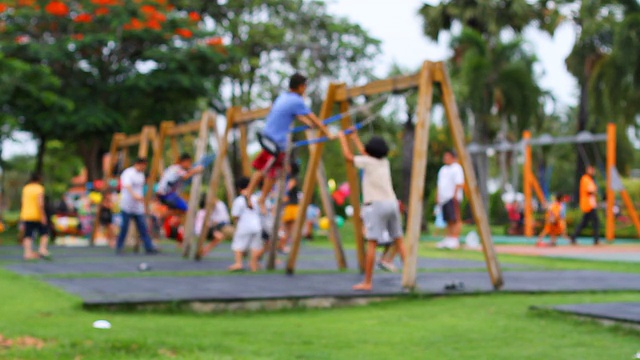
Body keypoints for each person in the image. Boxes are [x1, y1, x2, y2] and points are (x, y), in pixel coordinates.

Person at [244, 73, 333, 212]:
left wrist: (307, 123)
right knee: (271, 172)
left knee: (264, 168)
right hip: (276, 143)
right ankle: (260, 198)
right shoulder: (297, 100)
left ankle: (250, 192)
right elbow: (313, 117)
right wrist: (327, 133)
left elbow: (296, 114)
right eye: (305, 87)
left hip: (267, 136)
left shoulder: (283, 97)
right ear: (301, 86)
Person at [338, 131, 406, 291]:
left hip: (376, 205)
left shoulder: (367, 162)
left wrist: (342, 139)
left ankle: (368, 282)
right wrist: (355, 138)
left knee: (372, 243)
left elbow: (348, 156)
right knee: (399, 240)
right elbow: (365, 154)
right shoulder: (383, 162)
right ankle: (409, 276)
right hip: (392, 203)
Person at [115, 158, 159, 254]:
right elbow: (127, 186)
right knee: (124, 227)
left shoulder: (141, 175)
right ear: (138, 164)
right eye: (143, 165)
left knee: (143, 227)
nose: (143, 167)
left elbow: (141, 189)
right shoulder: (128, 173)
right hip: (127, 205)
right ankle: (119, 246)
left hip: (138, 207)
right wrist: (134, 195)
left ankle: (148, 246)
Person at [229, 177, 263, 272]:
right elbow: (261, 211)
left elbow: (235, 215)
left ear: (239, 188)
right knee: (255, 246)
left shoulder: (239, 200)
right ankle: (253, 264)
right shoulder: (256, 198)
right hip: (257, 225)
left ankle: (238, 263)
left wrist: (236, 223)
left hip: (244, 225)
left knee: (238, 245)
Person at [435, 150, 465, 250]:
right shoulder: (443, 169)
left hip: (452, 198)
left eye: (447, 156)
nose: (445, 158)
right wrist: (438, 196)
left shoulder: (457, 168)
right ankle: (448, 238)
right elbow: (439, 184)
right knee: (448, 220)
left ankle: (454, 239)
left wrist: (455, 196)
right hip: (444, 198)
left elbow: (459, 183)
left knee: (455, 219)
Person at [19, 173, 50, 260]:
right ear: (39, 179)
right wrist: (43, 215)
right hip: (37, 215)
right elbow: (40, 204)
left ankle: (27, 253)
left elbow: (22, 202)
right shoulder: (39, 188)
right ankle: (42, 250)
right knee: (44, 233)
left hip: (26, 214)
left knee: (28, 234)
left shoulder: (26, 188)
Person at [571, 165, 600, 245]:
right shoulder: (586, 179)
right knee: (595, 222)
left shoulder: (590, 179)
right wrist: (595, 190)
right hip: (588, 205)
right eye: (591, 169)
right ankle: (596, 240)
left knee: (584, 223)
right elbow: (590, 191)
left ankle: (573, 237)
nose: (593, 171)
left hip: (591, 204)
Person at [278, 161, 300, 253]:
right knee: (287, 228)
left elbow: (287, 191)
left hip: (291, 206)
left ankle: (283, 246)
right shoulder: (290, 178)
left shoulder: (292, 179)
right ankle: (282, 245)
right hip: (290, 206)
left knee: (288, 228)